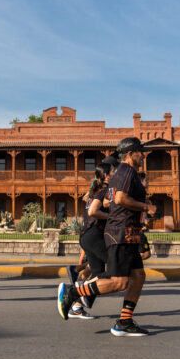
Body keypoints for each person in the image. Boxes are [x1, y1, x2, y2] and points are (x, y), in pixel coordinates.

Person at [57, 138, 155, 336]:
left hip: (128, 233)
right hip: (121, 234)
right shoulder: (127, 170)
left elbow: (115, 201)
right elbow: (119, 199)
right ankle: (73, 293)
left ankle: (124, 322)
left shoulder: (123, 173)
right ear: (130, 154)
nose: (143, 155)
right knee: (118, 282)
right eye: (140, 152)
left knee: (138, 276)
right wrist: (146, 207)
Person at [67, 163, 114, 320]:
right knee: (116, 267)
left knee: (98, 273)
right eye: (115, 171)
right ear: (107, 175)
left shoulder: (96, 190)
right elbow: (94, 211)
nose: (117, 174)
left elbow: (91, 202)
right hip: (94, 235)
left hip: (87, 236)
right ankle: (80, 289)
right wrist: (112, 216)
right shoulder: (104, 190)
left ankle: (76, 308)